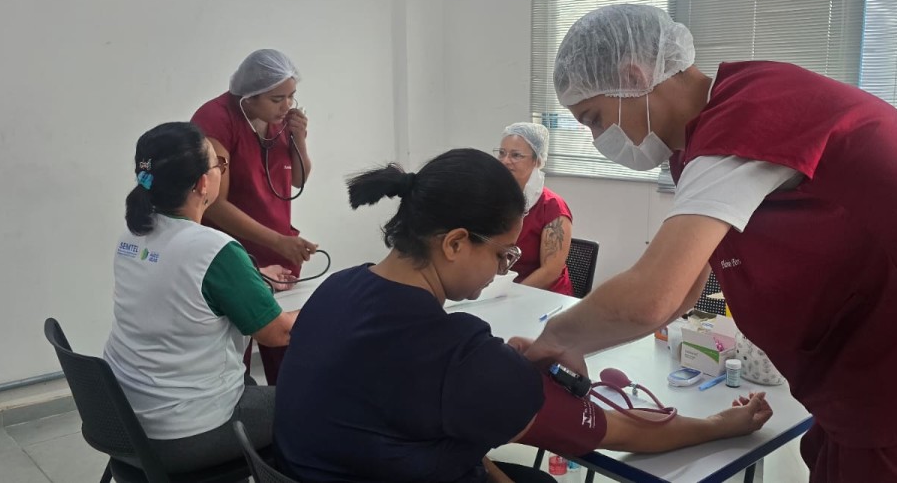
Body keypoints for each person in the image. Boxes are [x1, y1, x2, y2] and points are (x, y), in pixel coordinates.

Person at [520, 4, 897, 483]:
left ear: (633, 77)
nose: (598, 140)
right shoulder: (712, 133)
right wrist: (577, 344)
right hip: (874, 362)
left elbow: (653, 294)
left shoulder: (744, 123)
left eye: (594, 119)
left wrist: (556, 339)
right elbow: (683, 291)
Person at [273, 149, 773, 483]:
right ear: (454, 243)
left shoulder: (338, 288)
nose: (505, 269)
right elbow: (624, 432)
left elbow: (404, 412)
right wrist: (720, 425)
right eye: (503, 254)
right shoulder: (457, 356)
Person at [103, 122, 297, 473]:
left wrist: (249, 277)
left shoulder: (133, 234)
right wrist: (330, 305)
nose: (222, 169)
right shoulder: (213, 249)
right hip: (185, 432)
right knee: (317, 403)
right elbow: (279, 333)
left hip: (124, 424)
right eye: (218, 164)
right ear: (202, 184)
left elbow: (179, 285)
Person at [192, 49, 316, 384]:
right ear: (249, 96)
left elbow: (298, 179)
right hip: (234, 253)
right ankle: (244, 411)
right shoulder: (216, 119)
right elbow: (213, 203)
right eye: (277, 99)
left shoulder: (282, 122)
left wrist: (299, 140)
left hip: (281, 249)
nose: (287, 106)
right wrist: (278, 242)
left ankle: (286, 410)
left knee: (287, 351)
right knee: (237, 353)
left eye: (291, 96)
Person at [496, 122, 574, 295]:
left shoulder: (552, 206)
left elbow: (550, 271)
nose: (505, 161)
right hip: (503, 290)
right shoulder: (495, 199)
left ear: (537, 161)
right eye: (501, 153)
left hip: (545, 296)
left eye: (516, 155)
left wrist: (510, 295)